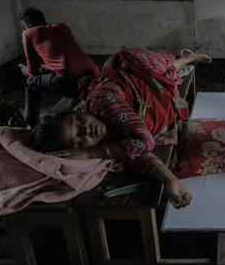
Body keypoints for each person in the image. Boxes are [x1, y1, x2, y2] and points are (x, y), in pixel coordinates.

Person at [25, 47, 212, 210]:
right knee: (165, 78)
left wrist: (92, 152)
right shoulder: (106, 140)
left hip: (133, 63)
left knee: (161, 67)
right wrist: (170, 180)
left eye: (78, 123)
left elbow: (143, 142)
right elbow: (135, 155)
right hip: (141, 91)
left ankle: (187, 57)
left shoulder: (104, 101)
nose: (87, 131)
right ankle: (187, 56)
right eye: (79, 140)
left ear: (77, 112)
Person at [19, 8, 100, 127]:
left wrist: (26, 71)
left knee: (30, 83)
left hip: (73, 84)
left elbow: (33, 71)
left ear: (27, 25)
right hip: (94, 75)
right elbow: (66, 58)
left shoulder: (28, 33)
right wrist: (46, 67)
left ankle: (31, 125)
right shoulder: (62, 27)